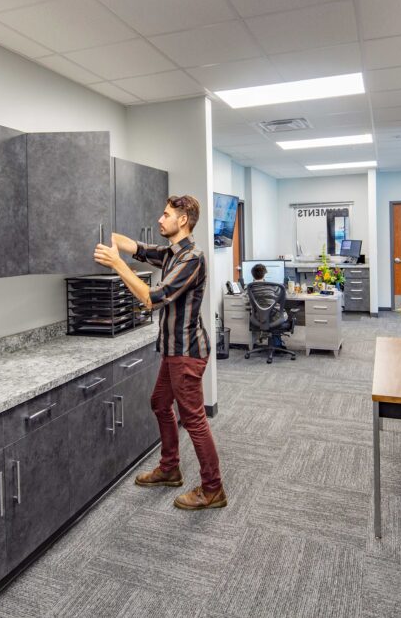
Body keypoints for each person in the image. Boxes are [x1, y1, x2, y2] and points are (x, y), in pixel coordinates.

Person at [93, 195, 226, 511]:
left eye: (165, 215)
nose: (159, 219)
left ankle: (213, 488)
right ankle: (169, 468)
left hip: (186, 352)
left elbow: (154, 297)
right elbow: (136, 246)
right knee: (159, 402)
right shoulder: (171, 253)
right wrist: (106, 236)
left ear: (182, 220)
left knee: (193, 418)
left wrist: (117, 264)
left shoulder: (191, 259)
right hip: (173, 350)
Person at [250, 263, 288, 349]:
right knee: (282, 313)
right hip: (276, 317)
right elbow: (282, 297)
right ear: (265, 274)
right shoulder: (273, 286)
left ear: (252, 274)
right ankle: (277, 343)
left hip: (258, 318)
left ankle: (268, 337)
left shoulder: (249, 287)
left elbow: (246, 303)